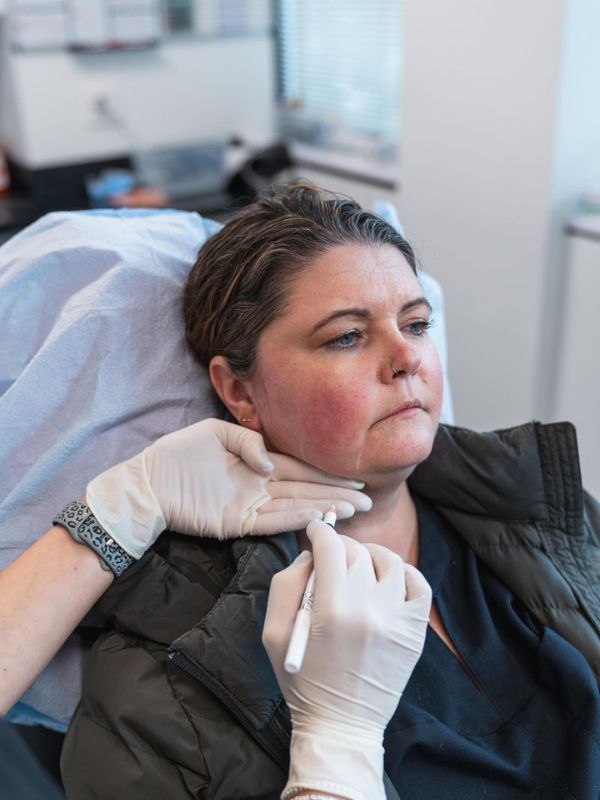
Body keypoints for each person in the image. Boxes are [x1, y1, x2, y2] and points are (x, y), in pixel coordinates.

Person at [17, 181, 600, 798]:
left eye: (417, 323)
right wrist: (337, 744)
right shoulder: (172, 668)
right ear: (240, 391)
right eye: (347, 336)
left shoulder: (542, 509)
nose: (407, 357)